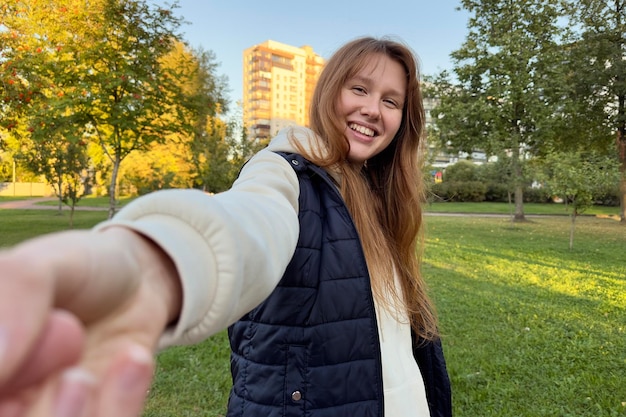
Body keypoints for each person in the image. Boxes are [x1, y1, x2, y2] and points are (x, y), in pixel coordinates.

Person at [0, 36, 451, 417]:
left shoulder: (382, 202)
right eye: (359, 89)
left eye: (390, 101)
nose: (373, 109)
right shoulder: (285, 172)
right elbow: (246, 224)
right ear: (330, 92)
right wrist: (154, 267)